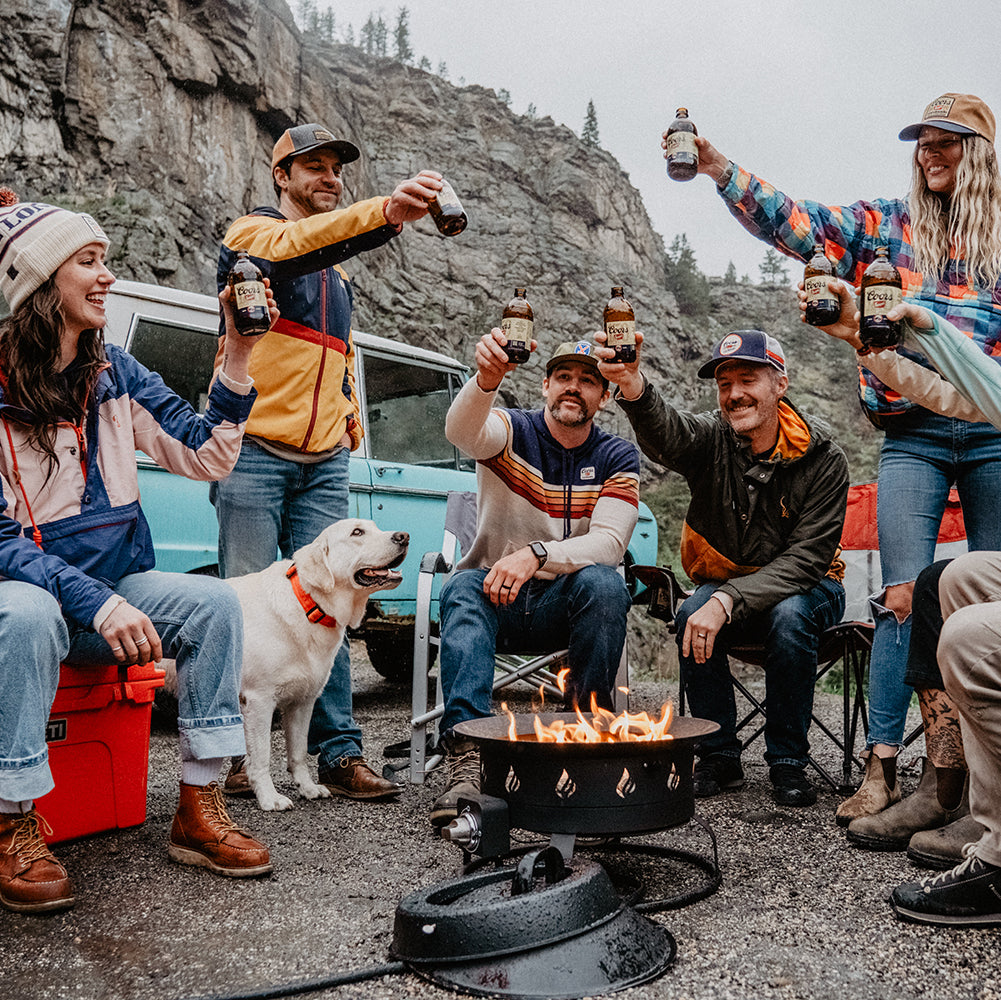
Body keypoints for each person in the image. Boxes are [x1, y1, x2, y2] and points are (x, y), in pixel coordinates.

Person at [675, 92, 1001, 828]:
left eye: (947, 140)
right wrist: (719, 168)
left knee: (990, 604)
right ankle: (886, 767)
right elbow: (800, 223)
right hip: (909, 433)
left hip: (992, 432)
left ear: (978, 150)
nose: (930, 151)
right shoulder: (884, 224)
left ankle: (980, 788)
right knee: (900, 598)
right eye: (922, 139)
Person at [0, 190, 276, 914]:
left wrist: (239, 353)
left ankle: (198, 804)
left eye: (107, 262)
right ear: (37, 279)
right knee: (26, 614)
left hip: (112, 590)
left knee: (215, 602)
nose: (106, 277)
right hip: (32, 598)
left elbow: (205, 452)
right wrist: (98, 598)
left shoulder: (113, 370)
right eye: (88, 262)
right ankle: (11, 818)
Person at [213, 123, 442, 801]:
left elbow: (336, 355)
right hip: (252, 449)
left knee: (338, 602)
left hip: (321, 460)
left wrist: (347, 412)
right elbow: (292, 244)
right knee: (242, 609)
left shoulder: (336, 272)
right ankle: (229, 757)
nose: (328, 178)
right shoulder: (252, 234)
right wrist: (385, 214)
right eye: (311, 167)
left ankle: (337, 752)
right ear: (280, 176)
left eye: (335, 170)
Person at [809, 285, 1001, 923]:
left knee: (972, 633)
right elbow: (968, 393)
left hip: (987, 446)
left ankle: (987, 820)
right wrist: (868, 337)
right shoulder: (883, 246)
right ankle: (936, 780)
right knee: (931, 587)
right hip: (916, 426)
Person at [601, 328, 848, 806]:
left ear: (780, 384)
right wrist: (632, 386)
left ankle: (787, 762)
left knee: (790, 614)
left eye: (748, 379)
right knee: (690, 610)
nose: (734, 394)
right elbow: (669, 434)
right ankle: (718, 756)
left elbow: (806, 560)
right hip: (727, 583)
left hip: (810, 587)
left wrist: (728, 598)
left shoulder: (824, 458)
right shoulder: (713, 438)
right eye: (724, 383)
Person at [429, 333, 640, 827]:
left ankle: (584, 740)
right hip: (495, 598)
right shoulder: (509, 428)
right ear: (544, 385)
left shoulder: (618, 456)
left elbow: (610, 543)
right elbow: (462, 433)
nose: (574, 388)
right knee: (461, 588)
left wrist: (537, 554)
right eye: (564, 377)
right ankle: (466, 752)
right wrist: (486, 381)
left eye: (588, 381)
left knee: (607, 585)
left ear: (604, 397)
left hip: (564, 607)